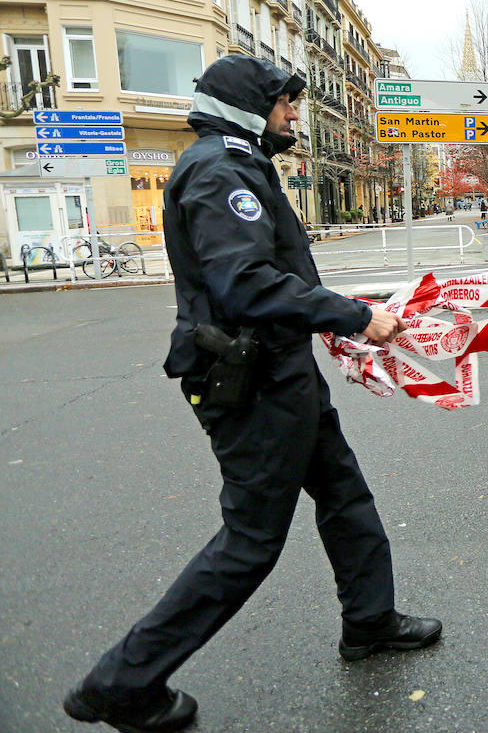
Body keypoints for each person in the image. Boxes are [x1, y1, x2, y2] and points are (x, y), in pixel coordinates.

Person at [62, 55, 441, 733]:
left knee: (344, 490)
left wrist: (323, 319)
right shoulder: (218, 171)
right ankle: (123, 681)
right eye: (285, 102)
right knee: (250, 541)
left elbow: (268, 277)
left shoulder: (238, 161)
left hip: (280, 371)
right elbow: (244, 282)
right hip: (254, 383)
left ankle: (370, 617)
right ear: (246, 105)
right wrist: (352, 315)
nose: (295, 113)